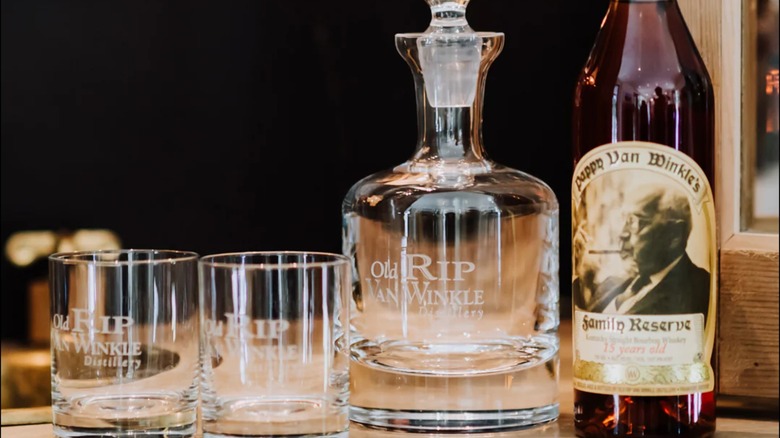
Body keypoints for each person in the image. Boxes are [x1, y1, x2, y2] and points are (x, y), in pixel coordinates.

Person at [582, 186, 710, 322]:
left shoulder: (698, 289)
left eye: (635, 222)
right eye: (624, 220)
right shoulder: (611, 284)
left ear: (674, 235)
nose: (622, 234)